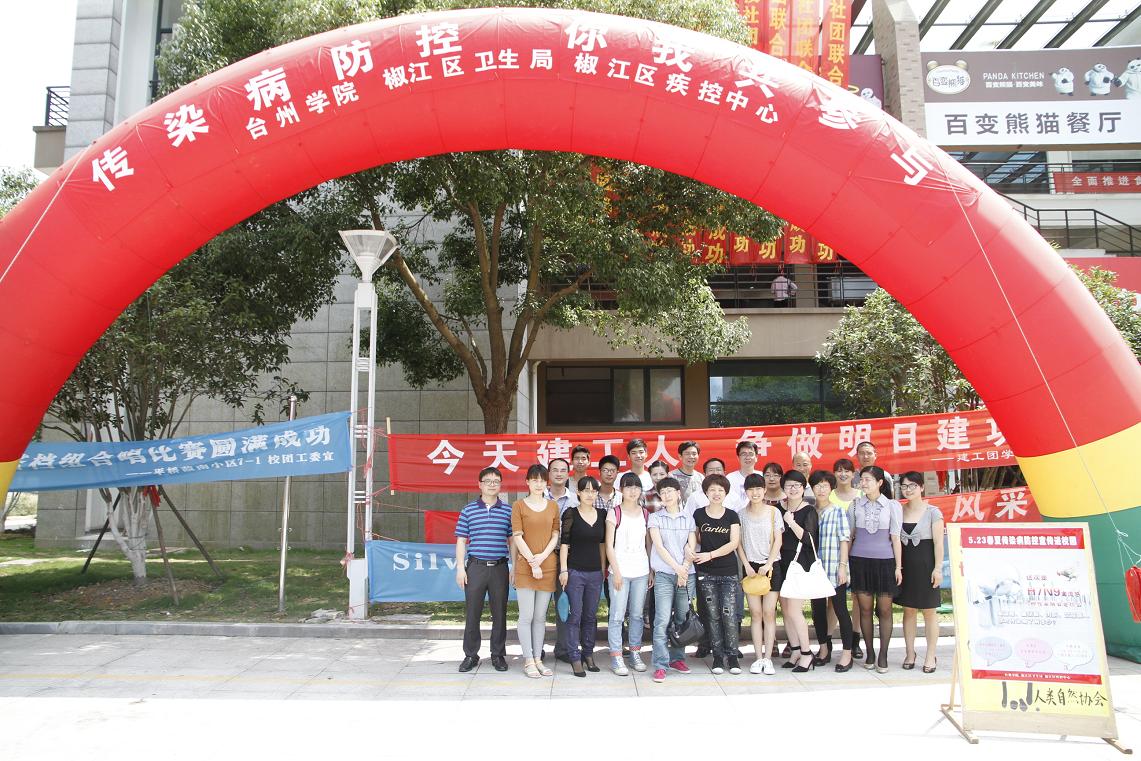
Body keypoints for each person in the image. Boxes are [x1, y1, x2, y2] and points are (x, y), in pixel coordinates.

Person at [455, 466, 513, 673]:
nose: (492, 485)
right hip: (475, 568)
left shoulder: (508, 511)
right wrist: (460, 568)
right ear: (479, 484)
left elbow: (512, 541)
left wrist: (514, 566)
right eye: (488, 481)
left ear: (501, 485)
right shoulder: (468, 510)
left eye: (496, 481)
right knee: (473, 613)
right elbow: (461, 540)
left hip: (499, 568)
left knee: (500, 613)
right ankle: (471, 654)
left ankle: (498, 654)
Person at [849, 465, 903, 673]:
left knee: (885, 609)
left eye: (868, 479)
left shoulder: (892, 506)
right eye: (862, 479)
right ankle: (870, 652)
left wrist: (898, 567)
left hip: (885, 562)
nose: (863, 483)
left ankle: (883, 654)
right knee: (864, 609)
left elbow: (896, 538)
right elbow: (850, 536)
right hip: (860, 561)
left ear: (880, 483)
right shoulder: (855, 504)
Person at [511, 464, 560, 678]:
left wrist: (542, 558)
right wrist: (533, 562)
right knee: (526, 616)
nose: (539, 484)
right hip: (525, 567)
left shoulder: (553, 506)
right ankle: (528, 660)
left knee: (540, 617)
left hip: (547, 566)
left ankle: (538, 659)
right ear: (527, 482)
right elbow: (517, 536)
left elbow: (555, 535)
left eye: (542, 480)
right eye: (534, 480)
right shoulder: (518, 506)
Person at [690, 473, 742, 675]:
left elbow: (734, 543)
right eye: (712, 489)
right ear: (706, 493)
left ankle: (732, 656)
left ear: (726, 493)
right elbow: (693, 537)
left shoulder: (732, 515)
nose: (716, 493)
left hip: (728, 571)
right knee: (712, 615)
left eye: (720, 490)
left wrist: (710, 554)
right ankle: (718, 656)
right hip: (706, 572)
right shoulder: (698, 514)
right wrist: (693, 551)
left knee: (729, 613)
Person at [647, 476, 697, 682]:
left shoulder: (689, 518)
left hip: (686, 575)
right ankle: (660, 664)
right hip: (664, 575)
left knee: (682, 619)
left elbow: (691, 546)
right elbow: (658, 546)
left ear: (678, 493)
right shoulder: (655, 518)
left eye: (670, 491)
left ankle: (677, 658)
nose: (666, 495)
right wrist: (677, 569)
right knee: (662, 619)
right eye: (663, 492)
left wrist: (684, 569)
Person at [895, 471, 944, 673]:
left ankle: (931, 655)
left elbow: (939, 543)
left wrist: (938, 569)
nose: (908, 490)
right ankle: (910, 653)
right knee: (908, 610)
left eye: (913, 485)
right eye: (904, 486)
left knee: (929, 611)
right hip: (905, 567)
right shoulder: (898, 510)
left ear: (922, 487)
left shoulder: (933, 512)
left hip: (926, 566)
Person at [559, 476, 607, 677]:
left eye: (593, 491)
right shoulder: (570, 513)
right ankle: (575, 657)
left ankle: (588, 654)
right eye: (585, 490)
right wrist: (563, 570)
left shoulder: (603, 514)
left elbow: (603, 545)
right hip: (575, 572)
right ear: (578, 492)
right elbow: (564, 544)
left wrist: (603, 569)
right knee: (575, 615)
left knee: (590, 616)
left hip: (595, 572)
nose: (590, 494)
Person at [809, 470, 856, 672]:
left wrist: (842, 567)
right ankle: (823, 649)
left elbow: (844, 540)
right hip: (813, 570)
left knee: (840, 610)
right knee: (818, 611)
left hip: (834, 568)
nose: (821, 489)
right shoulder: (809, 512)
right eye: (817, 485)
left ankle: (847, 653)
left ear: (831, 488)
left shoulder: (837, 511)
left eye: (825, 485)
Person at [736, 472, 783, 675]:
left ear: (764, 490)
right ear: (745, 491)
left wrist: (769, 563)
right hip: (750, 567)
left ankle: (768, 658)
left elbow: (778, 540)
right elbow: (738, 543)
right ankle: (757, 658)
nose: (754, 493)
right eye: (750, 489)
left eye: (758, 489)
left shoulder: (773, 512)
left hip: (772, 566)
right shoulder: (740, 514)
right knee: (755, 614)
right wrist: (746, 565)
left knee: (769, 613)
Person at [605, 473, 651, 676]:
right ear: (621, 490)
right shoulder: (614, 513)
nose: (633, 491)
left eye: (636, 487)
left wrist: (650, 570)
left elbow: (648, 544)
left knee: (637, 615)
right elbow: (609, 545)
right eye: (628, 486)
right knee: (617, 615)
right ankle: (616, 656)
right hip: (620, 571)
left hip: (641, 571)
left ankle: (634, 653)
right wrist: (616, 571)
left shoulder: (646, 513)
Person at [776, 470, 821, 672]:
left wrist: (791, 522)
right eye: (789, 485)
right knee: (786, 610)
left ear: (803, 488)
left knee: (795, 610)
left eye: (797, 485)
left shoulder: (809, 510)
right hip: (781, 562)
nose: (793, 489)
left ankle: (806, 653)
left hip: (800, 563)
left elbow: (809, 539)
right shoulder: (778, 508)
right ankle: (795, 650)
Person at [546, 457, 579, 664]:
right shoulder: (538, 497)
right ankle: (535, 650)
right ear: (548, 474)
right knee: (538, 607)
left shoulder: (576, 499)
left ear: (568, 473)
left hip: (566, 557)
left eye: (563, 470)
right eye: (555, 470)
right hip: (541, 557)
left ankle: (564, 648)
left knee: (564, 602)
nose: (559, 473)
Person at [831, 457, 861, 656]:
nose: (843, 474)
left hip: (858, 552)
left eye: (847, 471)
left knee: (858, 598)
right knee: (834, 600)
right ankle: (828, 640)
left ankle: (855, 640)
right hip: (834, 554)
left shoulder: (861, 495)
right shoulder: (828, 494)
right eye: (839, 470)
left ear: (853, 473)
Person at [726, 440, 759, 505]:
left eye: (751, 454)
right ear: (738, 458)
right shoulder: (730, 478)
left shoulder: (762, 476)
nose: (747, 457)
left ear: (756, 457)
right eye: (744, 454)